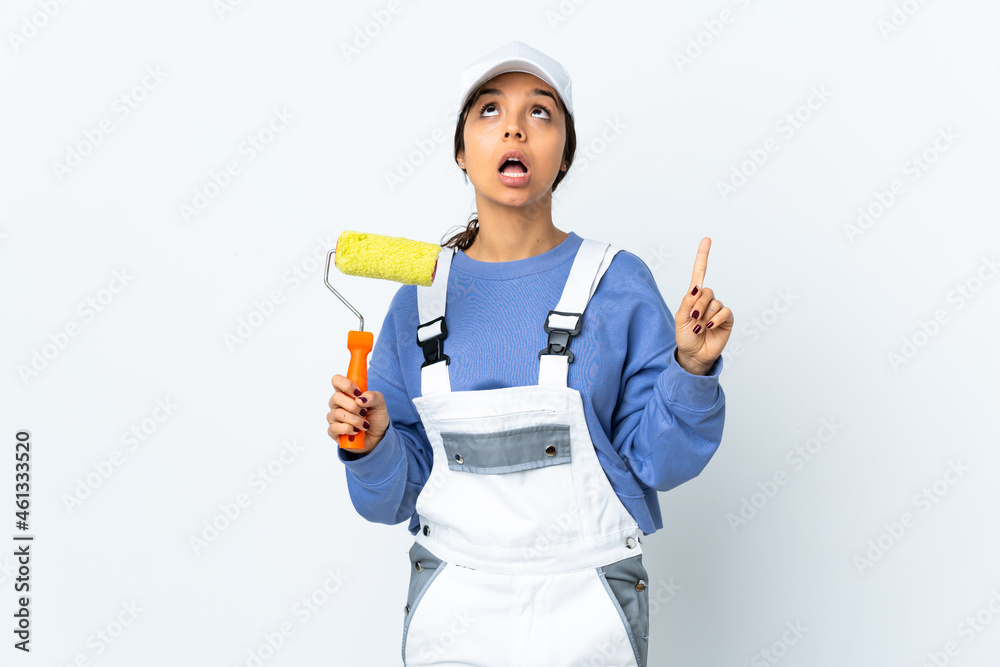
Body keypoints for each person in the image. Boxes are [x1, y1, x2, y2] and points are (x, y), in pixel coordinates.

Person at [326, 40, 733, 667]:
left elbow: (658, 464)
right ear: (462, 153)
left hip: (588, 604)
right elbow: (390, 500)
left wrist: (692, 368)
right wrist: (371, 444)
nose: (514, 125)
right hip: (452, 606)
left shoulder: (616, 284)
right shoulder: (419, 303)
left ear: (563, 155)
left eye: (540, 112)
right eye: (489, 110)